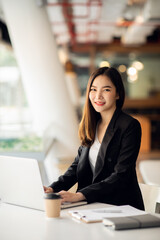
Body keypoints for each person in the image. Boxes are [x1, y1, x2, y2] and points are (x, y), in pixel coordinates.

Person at [44, 67, 144, 210]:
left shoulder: (130, 126)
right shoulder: (91, 124)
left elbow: (121, 175)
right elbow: (77, 167)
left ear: (118, 94)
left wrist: (79, 195)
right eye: (93, 89)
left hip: (120, 207)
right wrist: (52, 189)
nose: (98, 96)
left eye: (106, 90)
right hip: (93, 206)